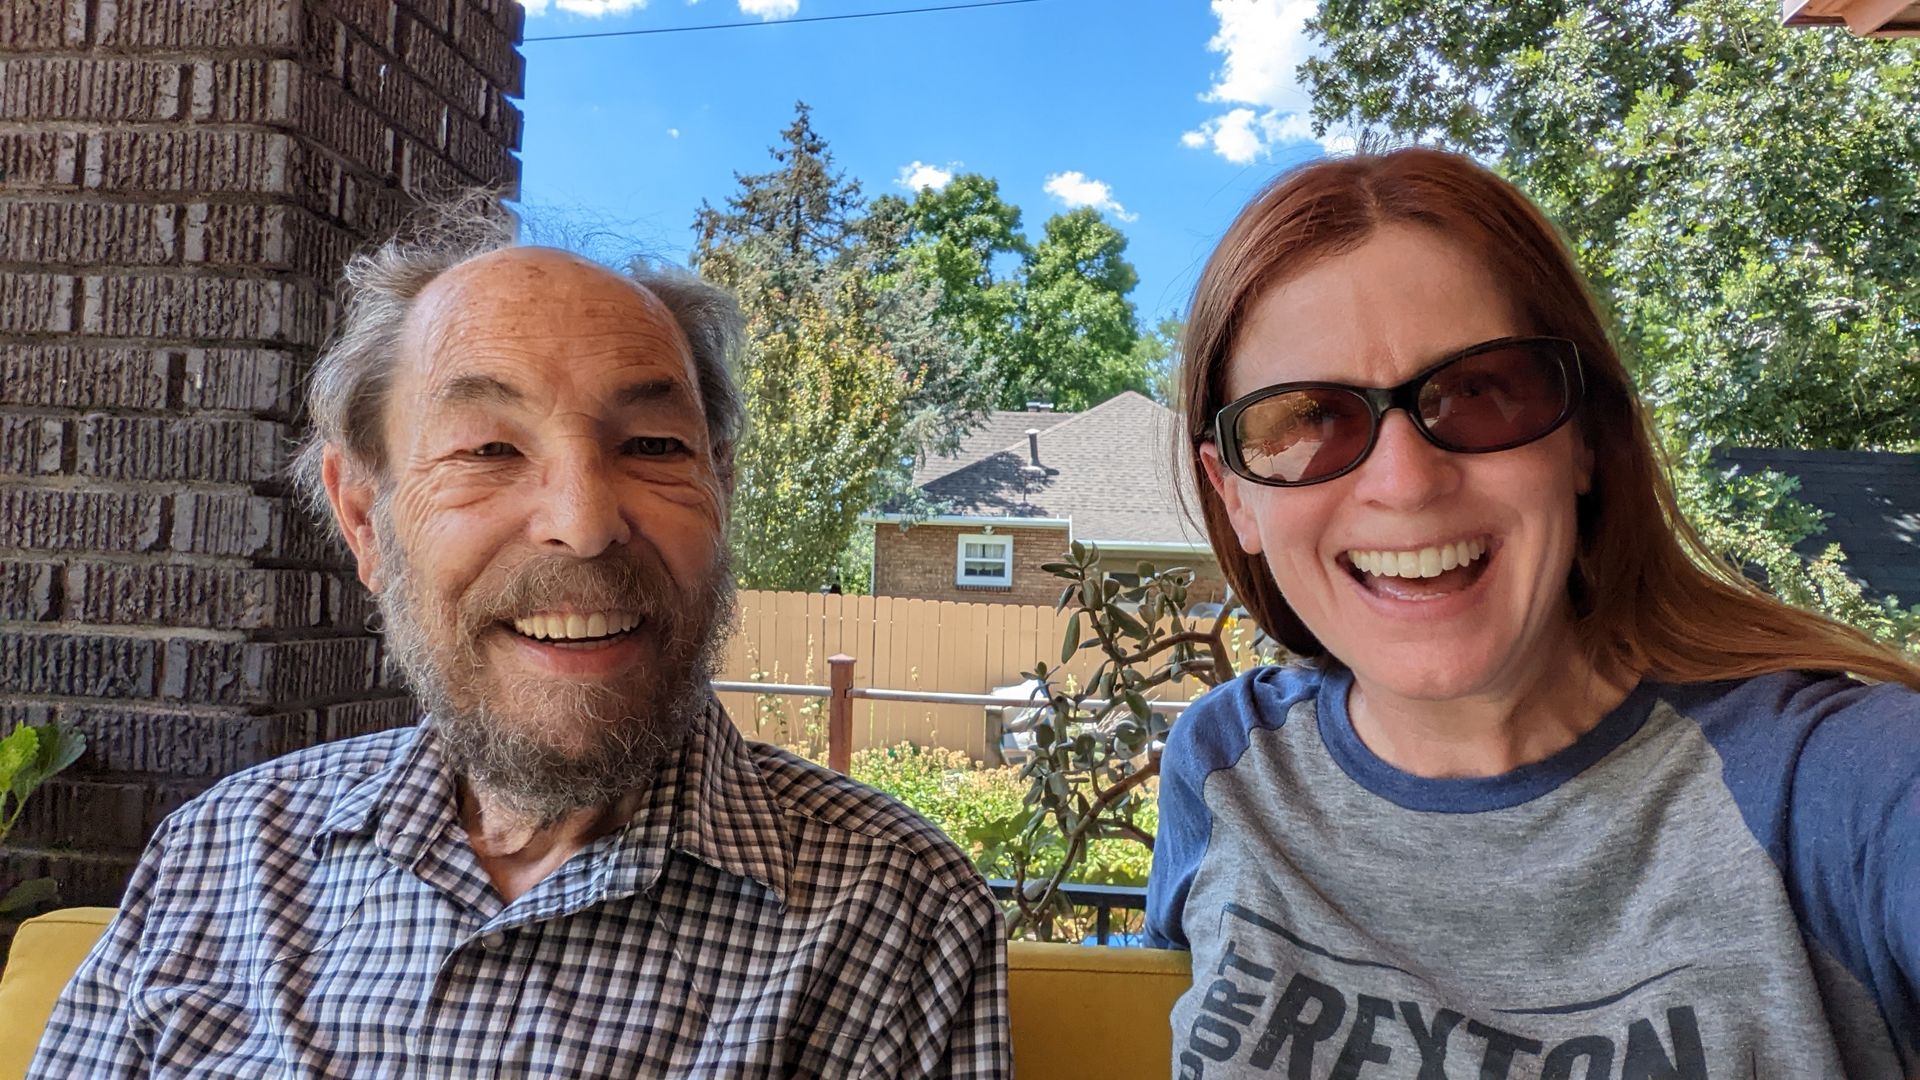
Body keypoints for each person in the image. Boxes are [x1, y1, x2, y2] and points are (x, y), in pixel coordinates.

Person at [32, 207, 1011, 1078]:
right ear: (365, 519)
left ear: (720, 491)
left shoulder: (893, 909)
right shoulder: (220, 854)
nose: (583, 524)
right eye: (490, 449)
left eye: (653, 447)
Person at [1145, 148, 1919, 1077]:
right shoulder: (1227, 766)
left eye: (1477, 391)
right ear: (1234, 495)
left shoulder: (1834, 784)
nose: (1405, 483)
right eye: (1309, 418)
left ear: (1583, 437)